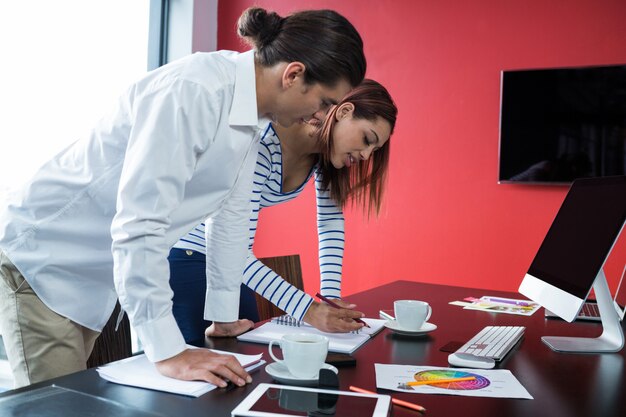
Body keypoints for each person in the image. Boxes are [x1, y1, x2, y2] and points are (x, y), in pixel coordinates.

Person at [0, 6, 366, 389]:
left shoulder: (250, 117)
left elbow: (231, 219)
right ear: (293, 75)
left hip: (91, 276)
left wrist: (222, 315)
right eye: (325, 102)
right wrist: (169, 352)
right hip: (43, 260)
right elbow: (140, 224)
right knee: (57, 407)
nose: (322, 117)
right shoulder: (196, 91)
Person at [170, 79, 397, 343]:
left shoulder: (323, 157)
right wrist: (308, 310)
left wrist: (331, 299)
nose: (367, 156)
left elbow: (330, 223)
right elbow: (232, 246)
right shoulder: (263, 144)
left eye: (375, 149)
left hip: (228, 267)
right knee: (208, 372)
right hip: (188, 257)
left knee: (248, 362)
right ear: (344, 112)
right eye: (367, 139)